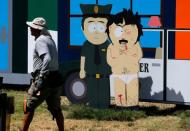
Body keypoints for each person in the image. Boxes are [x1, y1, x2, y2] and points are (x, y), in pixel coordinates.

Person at [20, 17, 64, 131]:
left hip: (44, 80)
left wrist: (40, 78)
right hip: (55, 79)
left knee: (29, 107)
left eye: (32, 27)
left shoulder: (40, 40)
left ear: (38, 29)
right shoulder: (50, 39)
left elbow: (47, 58)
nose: (30, 29)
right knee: (56, 109)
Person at [106, 9, 143, 107]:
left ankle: (133, 106)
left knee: (132, 91)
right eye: (118, 31)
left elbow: (138, 56)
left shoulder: (136, 45)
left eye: (128, 31)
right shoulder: (111, 47)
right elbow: (109, 60)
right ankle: (120, 106)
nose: (122, 36)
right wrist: (117, 62)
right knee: (119, 91)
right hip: (118, 74)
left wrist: (128, 56)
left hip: (132, 73)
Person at [79, 4, 112, 108]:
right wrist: (82, 69)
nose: (97, 31)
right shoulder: (86, 44)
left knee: (104, 90)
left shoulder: (108, 44)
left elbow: (111, 57)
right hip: (90, 73)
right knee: (92, 89)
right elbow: (83, 57)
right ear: (83, 28)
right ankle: (93, 106)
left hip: (104, 74)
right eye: (92, 27)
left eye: (101, 27)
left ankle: (104, 106)